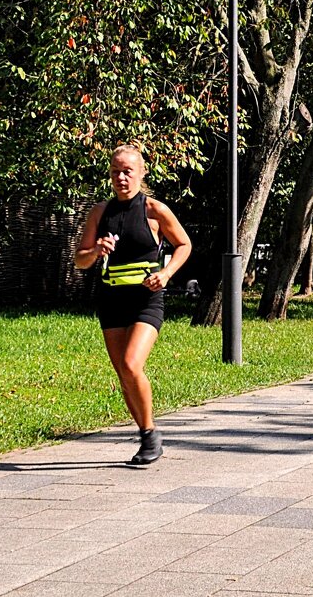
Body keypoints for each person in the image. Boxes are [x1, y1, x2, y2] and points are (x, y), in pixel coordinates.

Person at [73, 145, 192, 465]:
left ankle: (150, 434)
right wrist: (96, 250)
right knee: (124, 374)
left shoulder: (154, 210)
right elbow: (80, 260)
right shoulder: (100, 212)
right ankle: (146, 436)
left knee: (130, 364)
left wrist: (166, 274)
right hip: (111, 300)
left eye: (127, 171)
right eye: (115, 171)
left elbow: (184, 244)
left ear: (142, 172)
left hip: (145, 301)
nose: (121, 177)